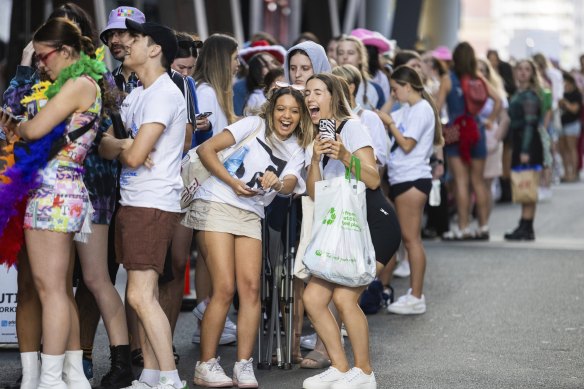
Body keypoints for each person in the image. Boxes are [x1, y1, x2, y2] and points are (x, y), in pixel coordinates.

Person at [0, 17, 109, 388]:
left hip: (53, 193)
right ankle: (66, 377)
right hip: (61, 190)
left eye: (44, 56)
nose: (40, 63)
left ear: (65, 51)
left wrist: (16, 124)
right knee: (58, 289)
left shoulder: (79, 84)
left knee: (50, 290)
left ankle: (50, 380)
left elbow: (32, 130)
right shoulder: (80, 83)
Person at [184, 85, 310, 387]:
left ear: (301, 116)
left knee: (252, 288)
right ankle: (206, 364)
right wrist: (233, 181)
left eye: (294, 111)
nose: (287, 116)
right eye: (282, 109)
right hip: (216, 200)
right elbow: (206, 149)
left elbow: (292, 183)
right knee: (225, 287)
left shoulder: (297, 147)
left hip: (252, 212)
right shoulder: (253, 124)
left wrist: (277, 183)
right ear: (272, 109)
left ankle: (243, 364)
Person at [99, 19, 187, 389]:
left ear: (155, 50)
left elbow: (135, 158)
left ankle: (169, 377)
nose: (125, 42)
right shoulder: (137, 94)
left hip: (152, 203)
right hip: (136, 202)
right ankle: (151, 375)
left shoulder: (165, 93)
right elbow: (108, 146)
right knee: (140, 295)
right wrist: (126, 145)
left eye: (135, 38)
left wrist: (127, 148)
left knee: (139, 294)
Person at [302, 73, 400, 389]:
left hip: (375, 223)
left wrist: (344, 155)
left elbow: (372, 179)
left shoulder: (353, 127)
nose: (310, 98)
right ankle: (341, 368)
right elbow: (316, 194)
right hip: (342, 229)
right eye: (307, 93)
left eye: (317, 91)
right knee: (314, 298)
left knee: (345, 298)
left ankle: (365, 372)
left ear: (333, 96)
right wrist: (316, 159)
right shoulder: (314, 137)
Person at [377, 65, 443, 314]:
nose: (394, 94)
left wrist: (391, 122)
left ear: (408, 86)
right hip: (402, 177)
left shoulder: (422, 109)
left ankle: (417, 295)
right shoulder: (407, 108)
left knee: (411, 239)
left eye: (396, 89)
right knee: (407, 238)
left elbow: (406, 144)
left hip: (413, 177)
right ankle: (414, 294)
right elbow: (380, 119)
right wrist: (392, 100)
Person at [190, 32, 241, 347]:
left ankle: (207, 318)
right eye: (235, 59)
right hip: (210, 183)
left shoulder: (214, 92)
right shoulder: (207, 92)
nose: (238, 65)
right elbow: (207, 145)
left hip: (215, 182)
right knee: (210, 256)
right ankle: (207, 314)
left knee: (208, 256)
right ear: (223, 60)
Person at [436, 42, 501, 240]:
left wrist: (440, 129)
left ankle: (463, 227)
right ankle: (483, 226)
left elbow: (436, 108)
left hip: (456, 132)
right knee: (478, 182)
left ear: (454, 58)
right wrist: (489, 120)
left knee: (461, 182)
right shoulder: (478, 78)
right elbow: (498, 100)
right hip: (477, 130)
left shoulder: (448, 79)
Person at [504, 60, 544, 241]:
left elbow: (530, 124)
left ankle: (527, 226)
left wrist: (525, 150)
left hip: (527, 143)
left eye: (527, 69)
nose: (523, 73)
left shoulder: (529, 96)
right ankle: (525, 224)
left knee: (527, 183)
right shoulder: (520, 93)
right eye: (519, 69)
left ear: (532, 73)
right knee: (524, 183)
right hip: (521, 142)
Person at [477, 58, 510, 216]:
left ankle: (484, 221)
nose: (479, 73)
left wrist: (496, 138)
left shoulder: (496, 93)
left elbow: (505, 118)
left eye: (483, 70)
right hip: (473, 139)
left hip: (490, 140)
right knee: (474, 183)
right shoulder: (466, 90)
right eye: (476, 69)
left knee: (487, 183)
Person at [336, 35, 385, 110]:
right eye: (340, 53)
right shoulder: (326, 85)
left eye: (350, 53)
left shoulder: (375, 89)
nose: (345, 57)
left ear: (360, 58)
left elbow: (381, 119)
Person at [558, 72, 582, 182]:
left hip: (572, 124)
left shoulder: (576, 94)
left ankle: (573, 172)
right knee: (563, 150)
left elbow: (575, 109)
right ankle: (566, 172)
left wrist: (566, 103)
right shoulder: (561, 93)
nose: (565, 86)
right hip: (561, 123)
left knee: (572, 148)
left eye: (567, 84)